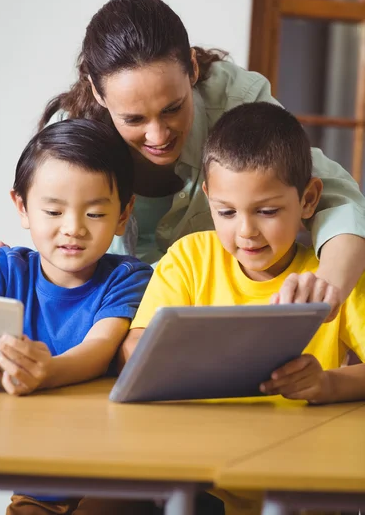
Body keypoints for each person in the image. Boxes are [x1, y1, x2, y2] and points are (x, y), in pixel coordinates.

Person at [0, 0, 365, 315]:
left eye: (174, 108)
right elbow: (58, 238)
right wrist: (5, 271)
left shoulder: (235, 99)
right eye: (134, 118)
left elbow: (328, 191)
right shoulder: (70, 137)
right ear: (96, 92)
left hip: (212, 310)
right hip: (113, 315)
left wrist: (325, 287)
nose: (158, 135)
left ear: (192, 68)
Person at [121, 102, 365, 515]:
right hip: (199, 480)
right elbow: (134, 348)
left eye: (267, 211)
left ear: (308, 199)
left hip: (305, 483)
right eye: (226, 212)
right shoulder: (189, 259)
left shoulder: (331, 277)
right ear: (208, 199)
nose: (246, 232)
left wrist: (327, 384)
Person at [0, 119, 153, 515]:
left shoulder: (128, 278)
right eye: (53, 210)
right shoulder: (0, 270)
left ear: (123, 214)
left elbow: (100, 348)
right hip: (36, 483)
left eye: (96, 214)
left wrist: (45, 371)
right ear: (22, 207)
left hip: (114, 479)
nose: (73, 229)